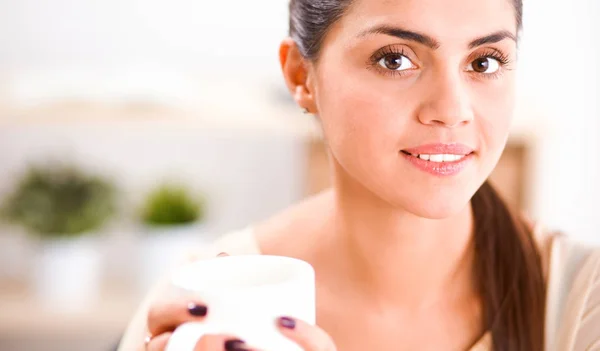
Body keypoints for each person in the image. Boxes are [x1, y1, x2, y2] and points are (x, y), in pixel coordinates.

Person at [118, 0, 600, 350]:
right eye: (395, 59)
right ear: (301, 77)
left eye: (484, 61)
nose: (452, 110)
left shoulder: (582, 302)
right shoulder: (199, 308)